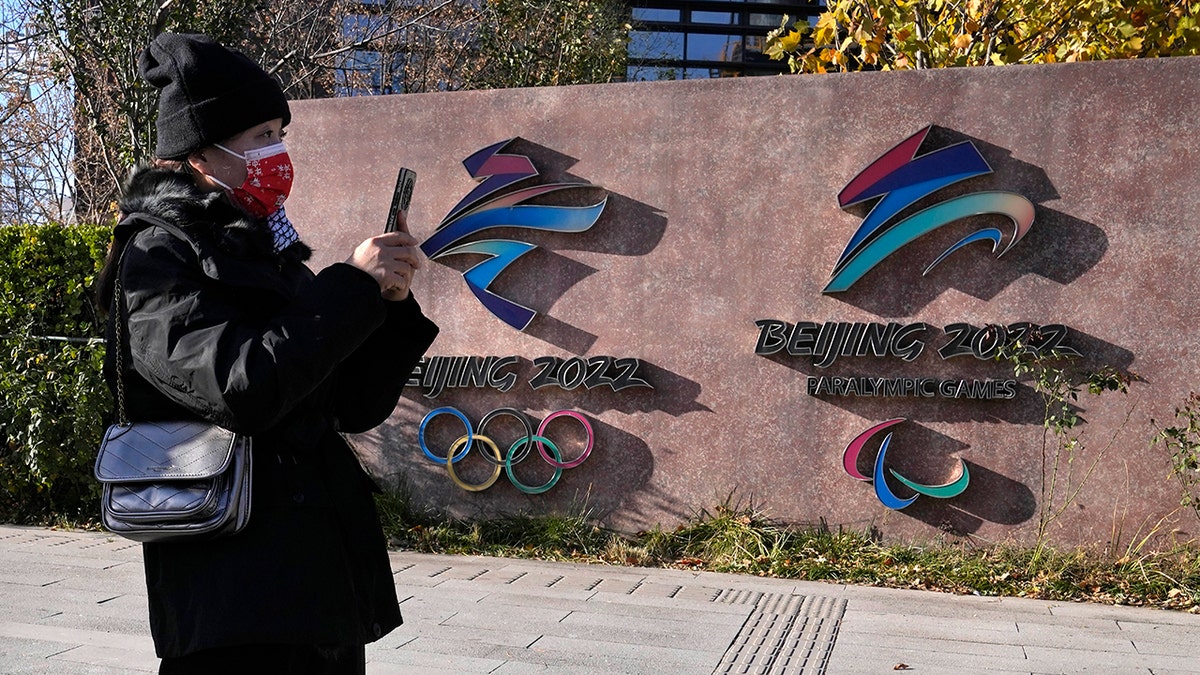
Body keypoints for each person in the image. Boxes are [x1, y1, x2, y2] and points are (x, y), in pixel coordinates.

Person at [94, 32, 439, 673]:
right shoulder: (155, 256)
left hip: (315, 589)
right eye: (259, 136)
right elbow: (240, 388)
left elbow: (351, 404)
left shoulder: (266, 251)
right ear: (199, 153)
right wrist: (347, 287)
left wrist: (384, 305)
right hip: (232, 595)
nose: (277, 153)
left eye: (280, 133)